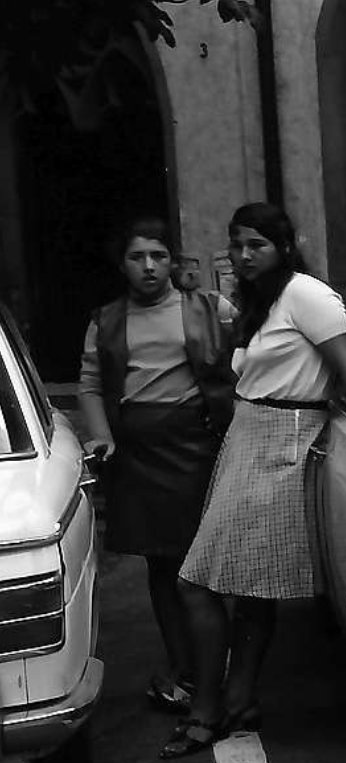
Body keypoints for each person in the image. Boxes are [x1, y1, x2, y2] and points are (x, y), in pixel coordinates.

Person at [159, 203, 346, 759]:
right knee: (251, 587)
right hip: (249, 435)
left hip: (284, 440)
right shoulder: (258, 300)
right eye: (237, 245)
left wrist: (314, 442)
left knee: (195, 582)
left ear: (285, 245)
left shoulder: (309, 295)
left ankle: (206, 710)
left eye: (257, 246)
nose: (244, 257)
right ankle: (239, 698)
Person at [77, 217, 237, 715]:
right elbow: (88, 384)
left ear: (174, 261)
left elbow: (254, 348)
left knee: (201, 564)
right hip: (137, 454)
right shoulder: (106, 320)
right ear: (121, 264)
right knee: (161, 565)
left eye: (159, 256)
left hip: (196, 447)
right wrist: (101, 435)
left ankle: (214, 670)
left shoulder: (210, 309)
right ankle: (183, 669)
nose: (149, 267)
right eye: (137, 257)